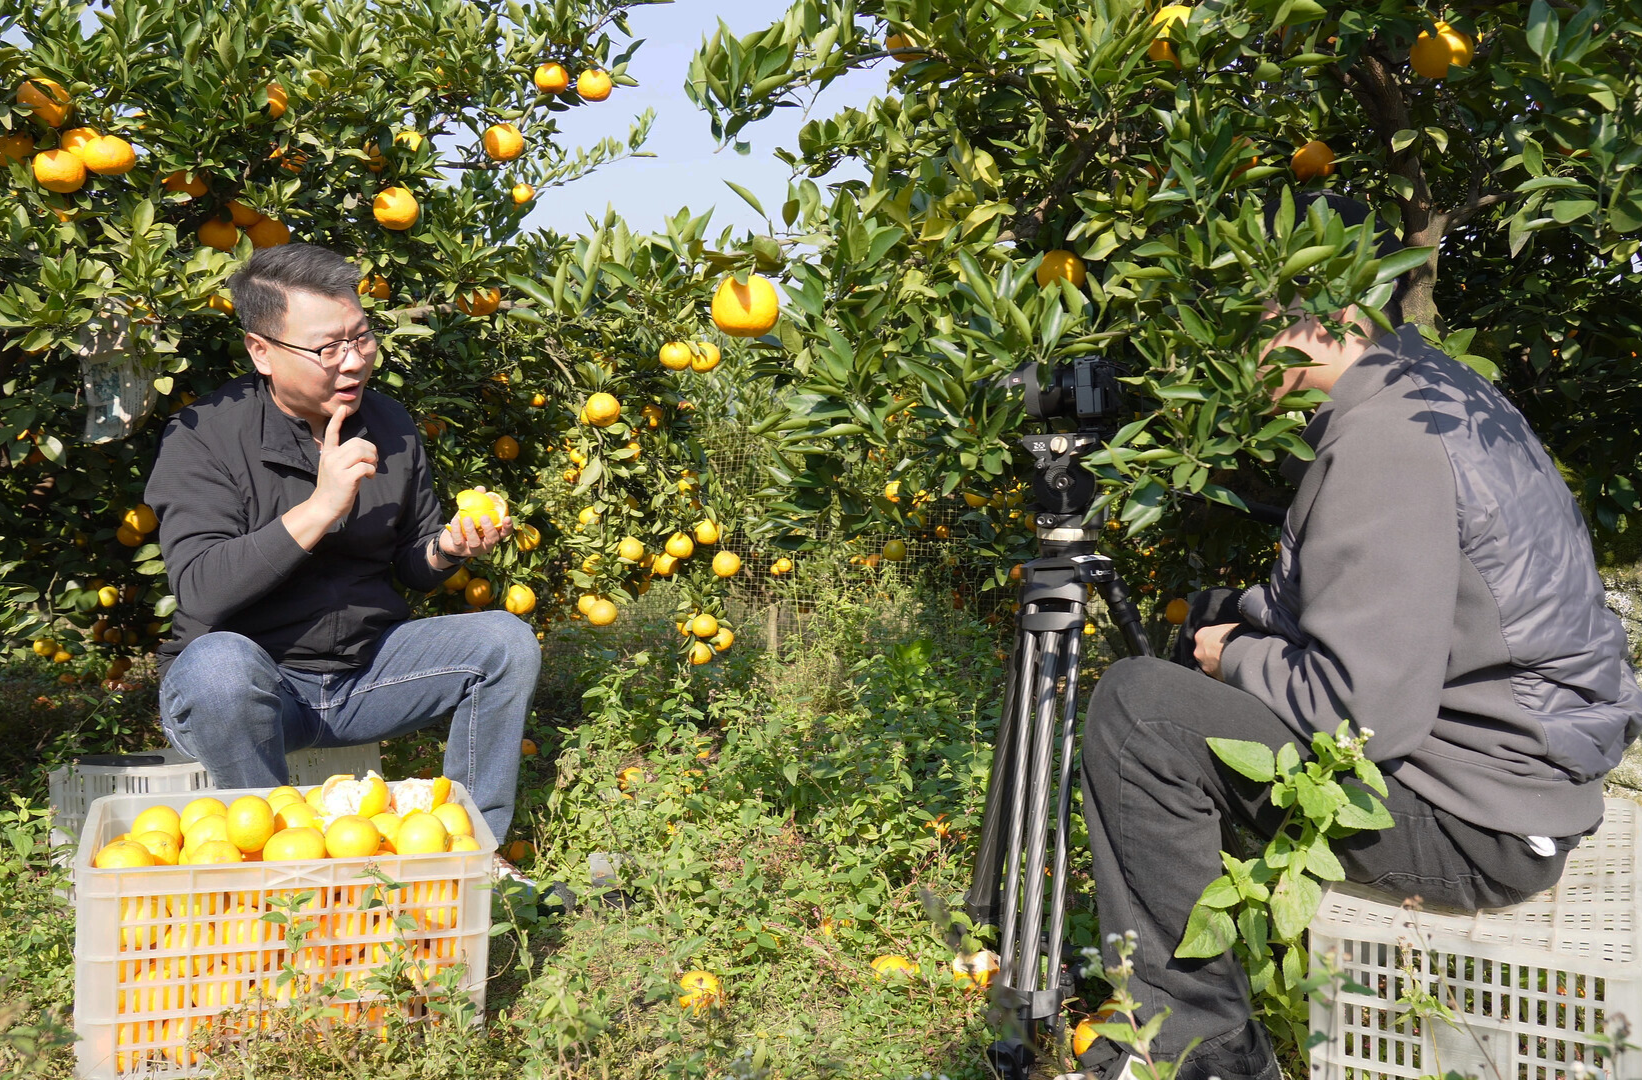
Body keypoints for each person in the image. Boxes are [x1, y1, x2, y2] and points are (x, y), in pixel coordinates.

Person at [1071, 194, 1642, 1080]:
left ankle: (1201, 1050)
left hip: (1480, 823)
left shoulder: (1385, 438)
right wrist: (1246, 615)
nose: (1239, 352)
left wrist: (1234, 652)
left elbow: (1359, 711)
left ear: (1330, 312)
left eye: (1249, 319)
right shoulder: (1436, 388)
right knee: (1205, 631)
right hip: (1518, 777)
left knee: (1139, 712)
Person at [146, 243, 541, 853]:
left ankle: (473, 855)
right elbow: (201, 588)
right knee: (218, 668)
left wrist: (449, 548)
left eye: (361, 338)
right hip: (261, 686)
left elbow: (414, 559)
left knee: (504, 641)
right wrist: (320, 507)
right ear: (262, 352)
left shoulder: (390, 424)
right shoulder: (204, 437)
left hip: (365, 675)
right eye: (327, 348)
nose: (353, 361)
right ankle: (268, 865)